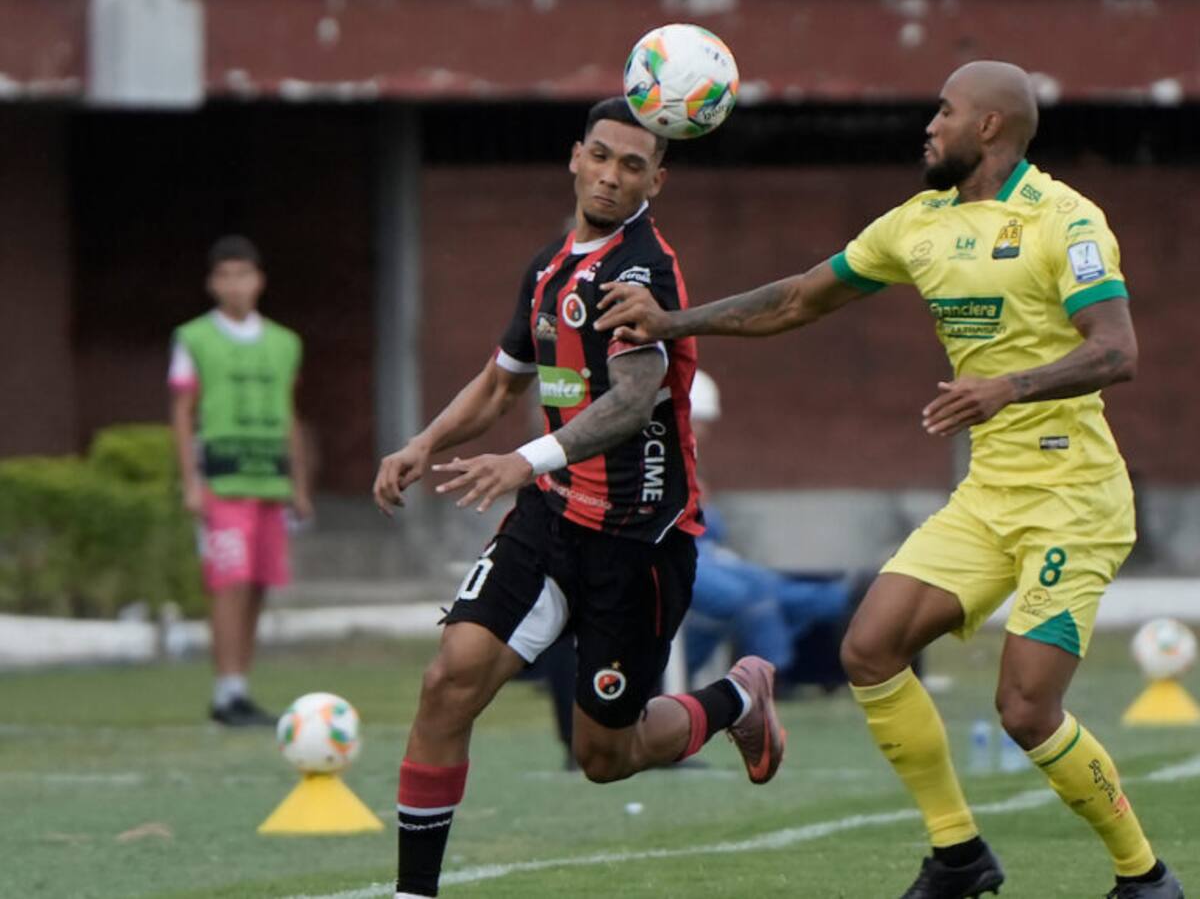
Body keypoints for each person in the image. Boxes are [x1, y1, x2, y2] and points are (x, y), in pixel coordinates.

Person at [595, 61, 1182, 899]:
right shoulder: (918, 224)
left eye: (944, 112)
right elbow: (799, 298)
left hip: (1074, 500)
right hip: (991, 496)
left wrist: (1005, 387)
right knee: (868, 650)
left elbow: (1117, 349)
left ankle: (1144, 877)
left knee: (1024, 711)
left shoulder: (1065, 218)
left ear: (989, 126)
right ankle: (958, 856)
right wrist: (673, 321)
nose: (929, 126)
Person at [372, 97, 786, 899]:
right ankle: (412, 894)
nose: (611, 174)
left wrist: (525, 460)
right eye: (601, 155)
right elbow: (503, 382)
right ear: (575, 156)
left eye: (633, 165)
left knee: (607, 758)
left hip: (637, 541)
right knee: (448, 680)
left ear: (656, 180)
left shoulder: (642, 272)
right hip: (553, 518)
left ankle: (738, 696)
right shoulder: (549, 266)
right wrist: (425, 444)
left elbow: (633, 400)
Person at [169, 235, 310, 726]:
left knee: (257, 585)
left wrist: (300, 484)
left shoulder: (285, 342)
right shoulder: (193, 338)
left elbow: (290, 415)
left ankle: (241, 687)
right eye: (225, 275)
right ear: (212, 283)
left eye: (244, 274)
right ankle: (225, 691)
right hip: (223, 482)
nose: (236, 285)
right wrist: (192, 481)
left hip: (270, 481)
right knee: (227, 583)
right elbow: (183, 414)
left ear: (260, 281)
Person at [685, 370, 852, 682]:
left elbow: (713, 533)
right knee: (748, 594)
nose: (703, 431)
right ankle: (773, 677)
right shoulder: (657, 465)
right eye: (697, 421)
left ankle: (846, 601)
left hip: (706, 556)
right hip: (679, 560)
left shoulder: (691, 466)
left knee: (769, 586)